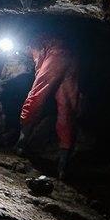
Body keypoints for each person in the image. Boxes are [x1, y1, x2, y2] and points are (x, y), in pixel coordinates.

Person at [18, 34, 84, 178]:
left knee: (36, 96)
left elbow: (38, 68)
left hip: (56, 55)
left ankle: (21, 144)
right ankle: (63, 163)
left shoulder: (33, 43)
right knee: (67, 108)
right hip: (73, 58)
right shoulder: (49, 37)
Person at [0, 55, 35, 147]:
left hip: (15, 98)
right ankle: (3, 135)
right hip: (7, 96)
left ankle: (7, 136)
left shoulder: (25, 71)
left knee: (11, 115)